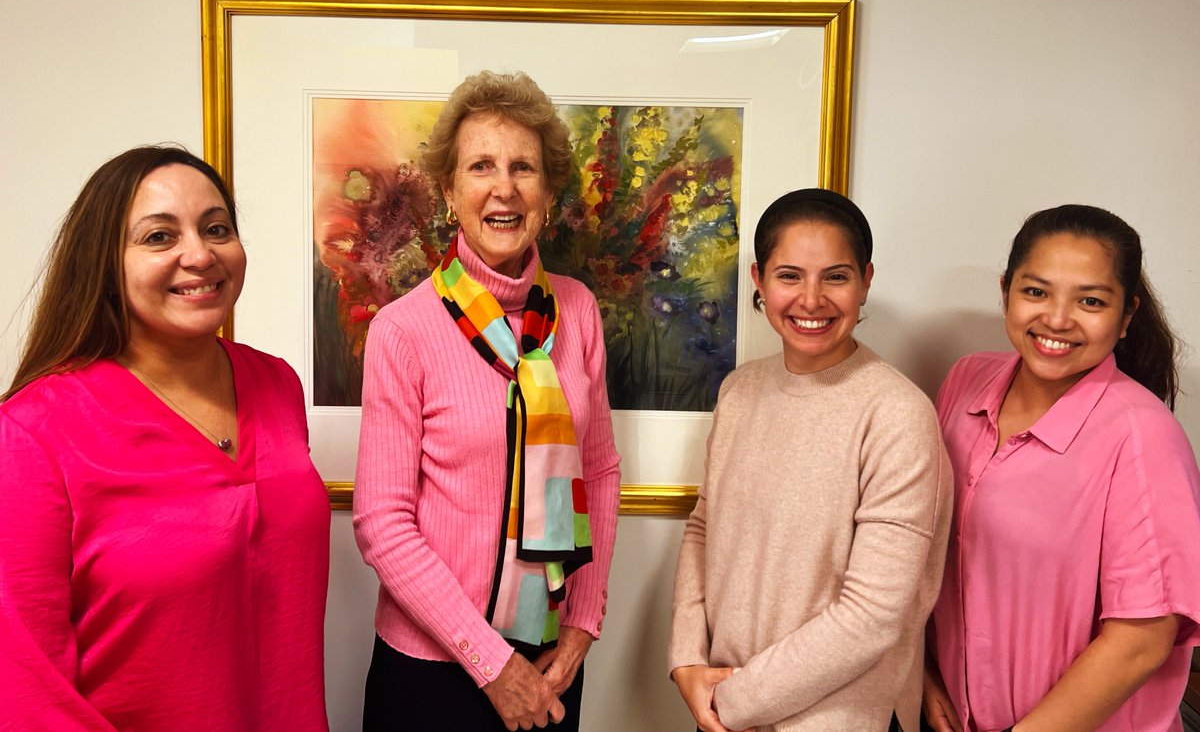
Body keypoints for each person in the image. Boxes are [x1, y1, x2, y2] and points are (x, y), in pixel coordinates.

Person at [0, 146, 331, 730]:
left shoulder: (276, 384)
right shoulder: (32, 432)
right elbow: (29, 693)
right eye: (159, 237)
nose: (200, 255)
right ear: (105, 262)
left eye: (217, 228)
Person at [353, 70, 621, 732]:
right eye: (481, 166)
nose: (504, 187)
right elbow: (381, 523)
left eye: (523, 167)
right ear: (450, 190)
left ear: (548, 192)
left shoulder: (578, 310)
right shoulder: (403, 330)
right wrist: (492, 664)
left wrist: (584, 621)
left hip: (552, 656)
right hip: (432, 671)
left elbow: (601, 469)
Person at [668, 187, 953, 732]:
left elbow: (873, 617)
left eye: (837, 276)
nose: (812, 299)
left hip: (838, 718)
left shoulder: (896, 414)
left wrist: (735, 701)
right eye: (790, 275)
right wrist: (687, 659)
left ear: (867, 280)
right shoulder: (740, 390)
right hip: (723, 703)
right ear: (759, 279)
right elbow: (705, 526)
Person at [923, 204, 1200, 732]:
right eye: (1036, 291)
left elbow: (1141, 641)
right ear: (1005, 291)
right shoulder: (965, 382)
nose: (1056, 318)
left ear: (1126, 316)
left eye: (1090, 301)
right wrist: (921, 672)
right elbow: (926, 551)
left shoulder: (1142, 436)